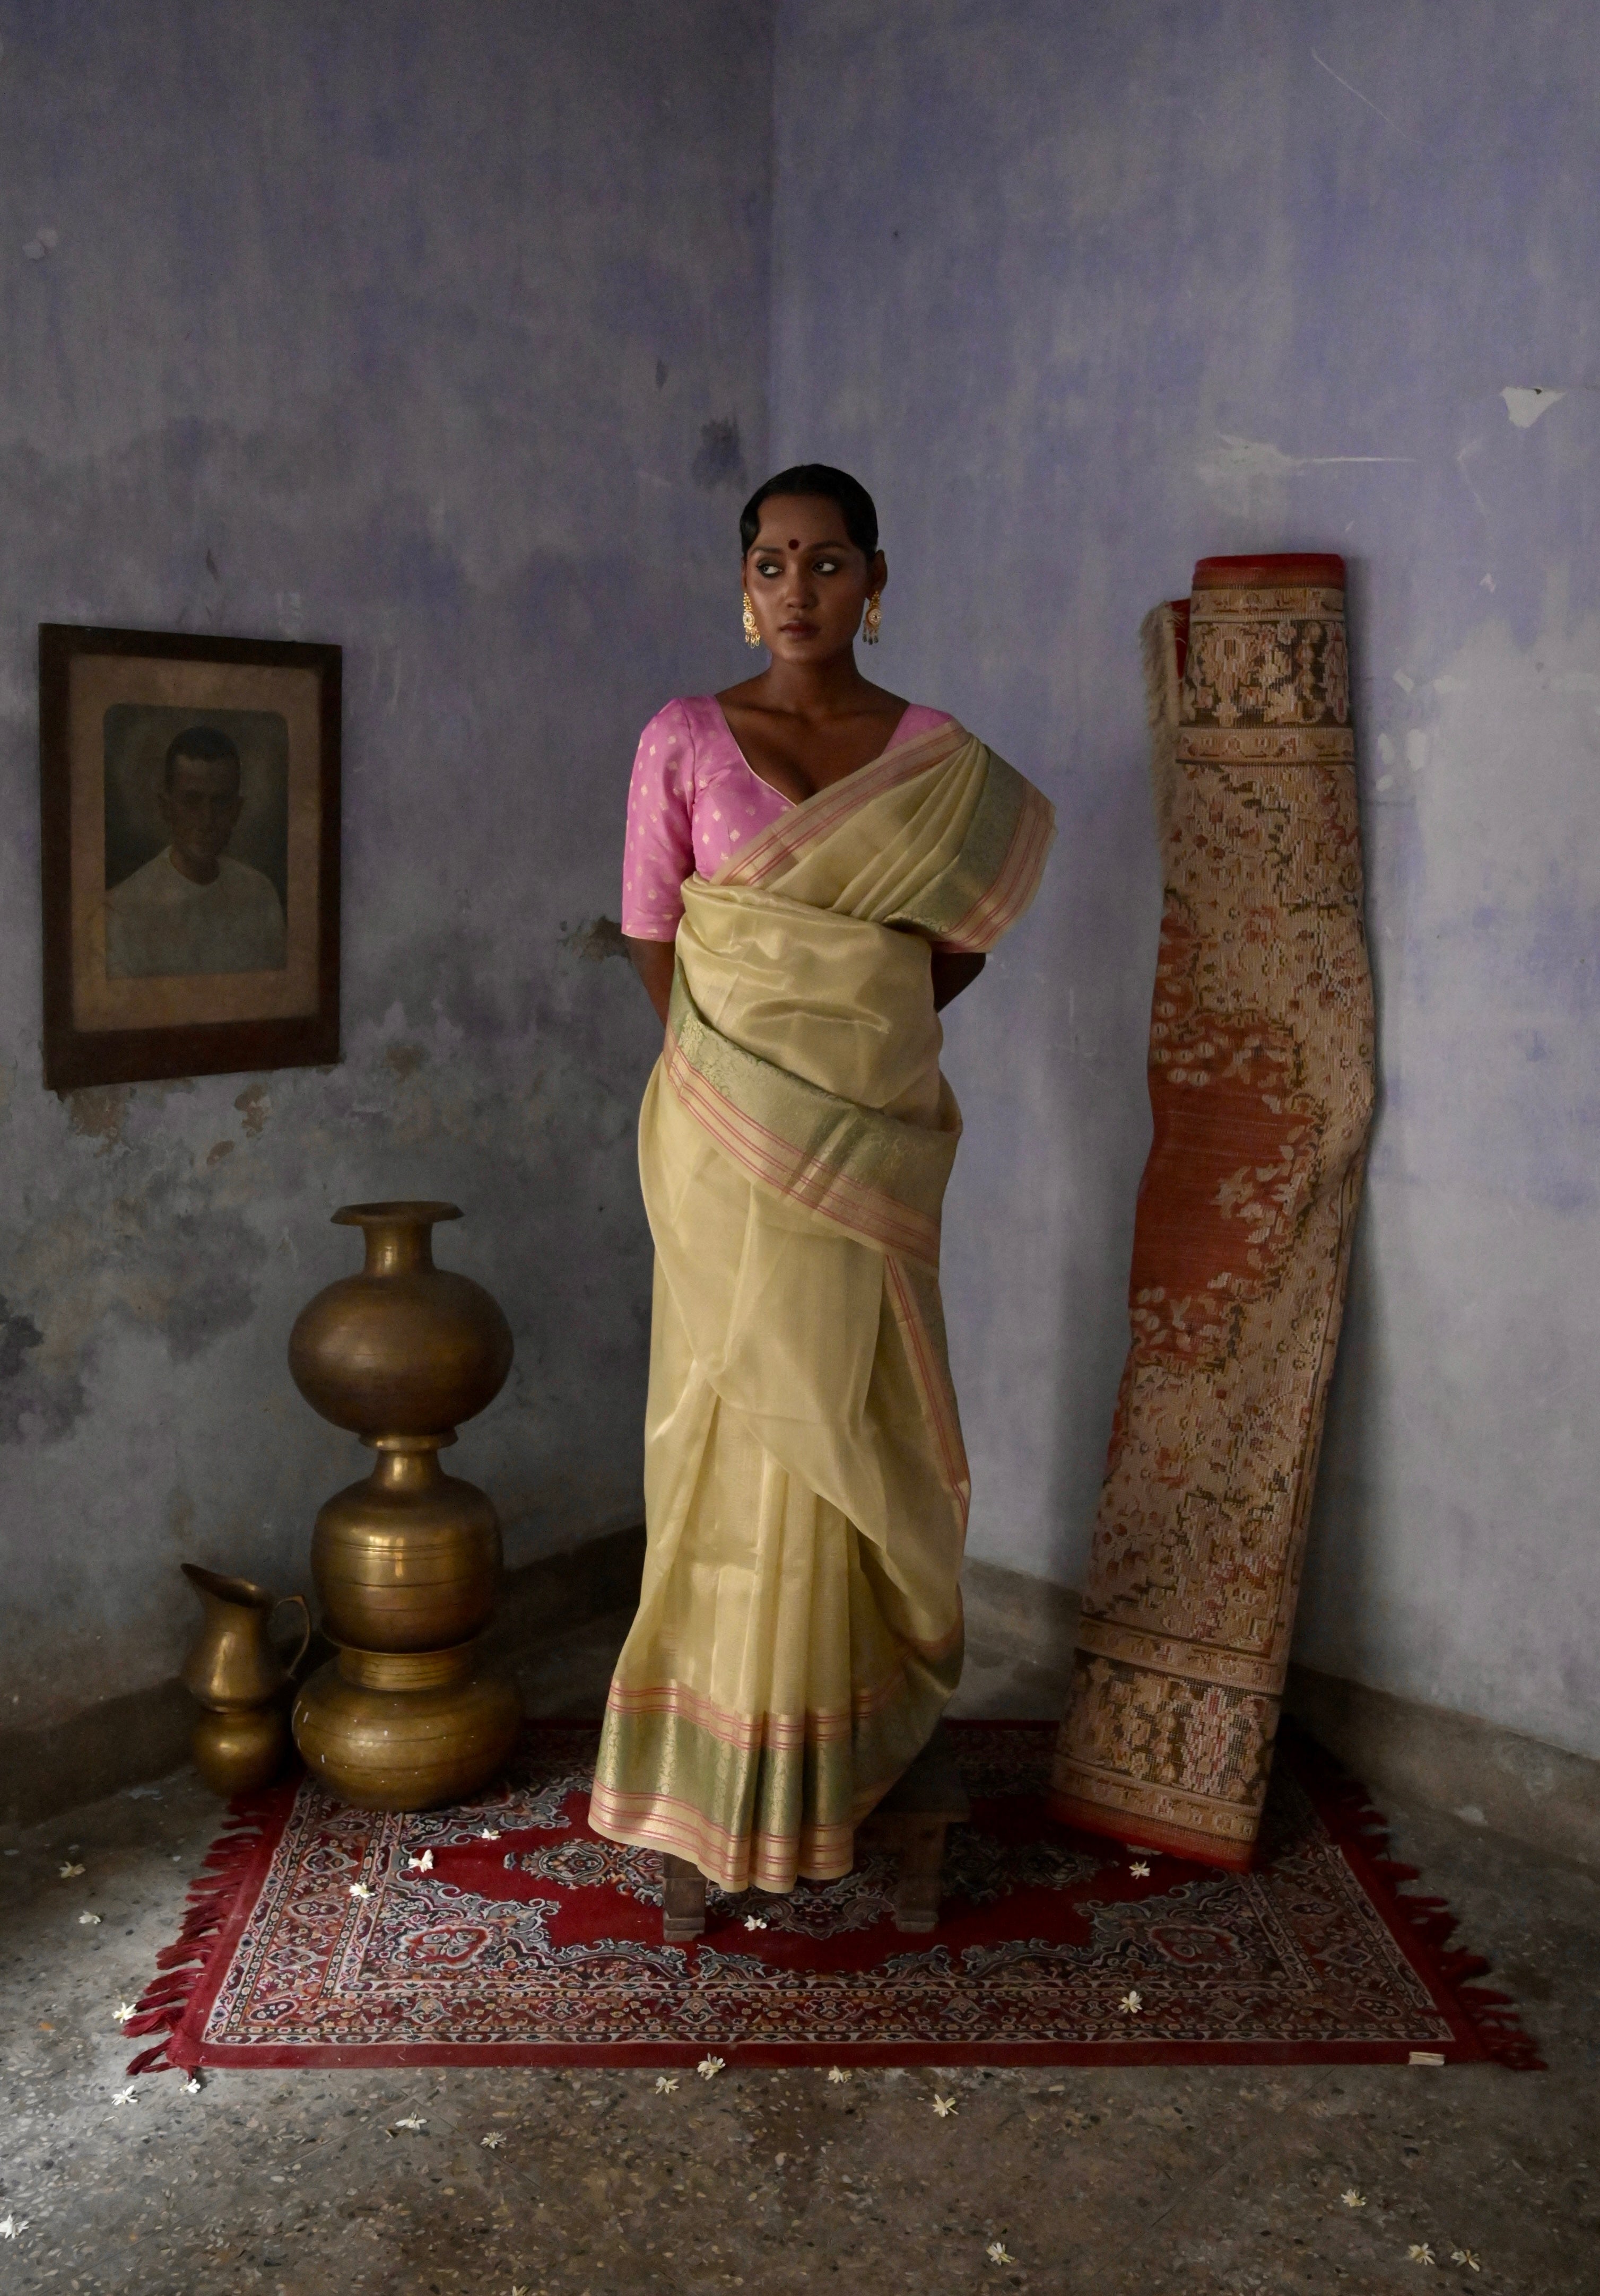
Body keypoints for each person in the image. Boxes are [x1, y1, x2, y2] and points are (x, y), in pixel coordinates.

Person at [588, 464, 1055, 1901]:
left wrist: (854, 1042)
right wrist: (743, 1091)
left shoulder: (935, 758)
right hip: (725, 1144)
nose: (800, 588)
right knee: (726, 1415)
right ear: (745, 580)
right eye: (775, 562)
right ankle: (715, 1762)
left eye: (830, 561)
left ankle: (855, 1735)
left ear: (877, 580)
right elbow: (651, 931)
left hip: (868, 1142)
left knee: (859, 1404)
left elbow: (950, 949)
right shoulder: (681, 737)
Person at [106, 726, 286, 979]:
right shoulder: (122, 909)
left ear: (237, 810)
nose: (206, 820)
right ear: (166, 808)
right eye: (192, 802)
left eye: (221, 802)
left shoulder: (261, 894)